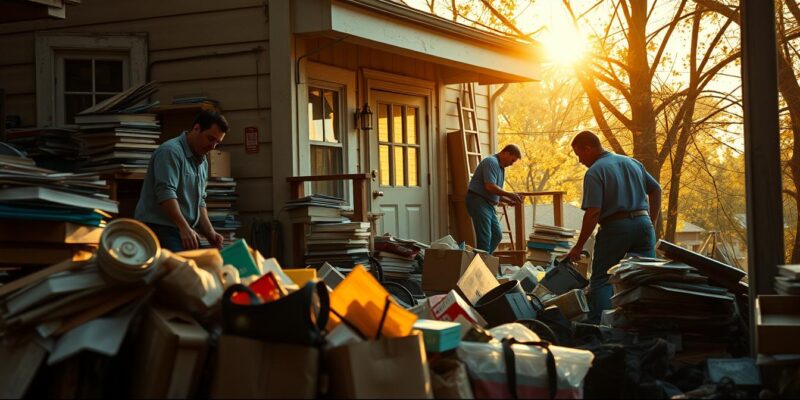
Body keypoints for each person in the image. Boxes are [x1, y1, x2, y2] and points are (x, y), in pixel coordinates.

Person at [565, 130, 662, 323]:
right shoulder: (632, 163)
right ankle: (645, 324)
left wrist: (578, 246)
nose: (580, 160)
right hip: (643, 226)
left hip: (616, 228)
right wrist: (651, 222)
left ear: (589, 148)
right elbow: (656, 189)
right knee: (644, 277)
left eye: (579, 154)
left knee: (602, 279)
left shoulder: (595, 172)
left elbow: (593, 212)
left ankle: (602, 329)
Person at [135, 110, 229, 252]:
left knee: (208, 263)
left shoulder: (202, 161)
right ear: (196, 129)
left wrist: (210, 232)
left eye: (218, 142)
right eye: (210, 139)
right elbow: (166, 194)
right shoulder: (170, 152)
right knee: (185, 268)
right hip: (157, 228)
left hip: (180, 228)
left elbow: (200, 202)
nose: (213, 147)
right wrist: (184, 227)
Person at [465, 144, 523, 254]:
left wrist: (509, 200)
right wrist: (511, 194)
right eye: (512, 160)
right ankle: (480, 267)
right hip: (478, 201)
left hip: (488, 204)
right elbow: (490, 186)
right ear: (506, 153)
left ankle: (482, 260)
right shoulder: (491, 162)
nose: (512, 164)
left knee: (497, 235)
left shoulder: (501, 169)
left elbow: (495, 192)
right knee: (485, 237)